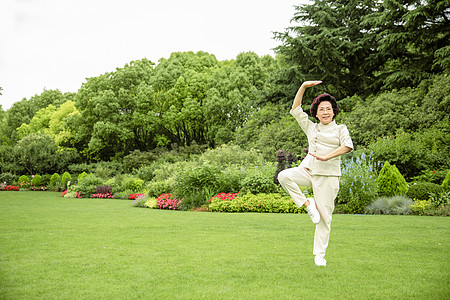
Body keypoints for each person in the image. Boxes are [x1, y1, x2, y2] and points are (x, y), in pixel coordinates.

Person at [277, 81, 353, 267]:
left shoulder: (340, 128)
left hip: (328, 177)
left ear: (334, 111)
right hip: (308, 170)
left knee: (324, 219)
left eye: (328, 109)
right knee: (284, 176)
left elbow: (348, 146)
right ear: (316, 113)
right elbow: (295, 109)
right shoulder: (312, 127)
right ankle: (307, 204)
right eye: (321, 109)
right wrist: (303, 86)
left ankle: (319, 255)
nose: (325, 112)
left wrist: (327, 156)